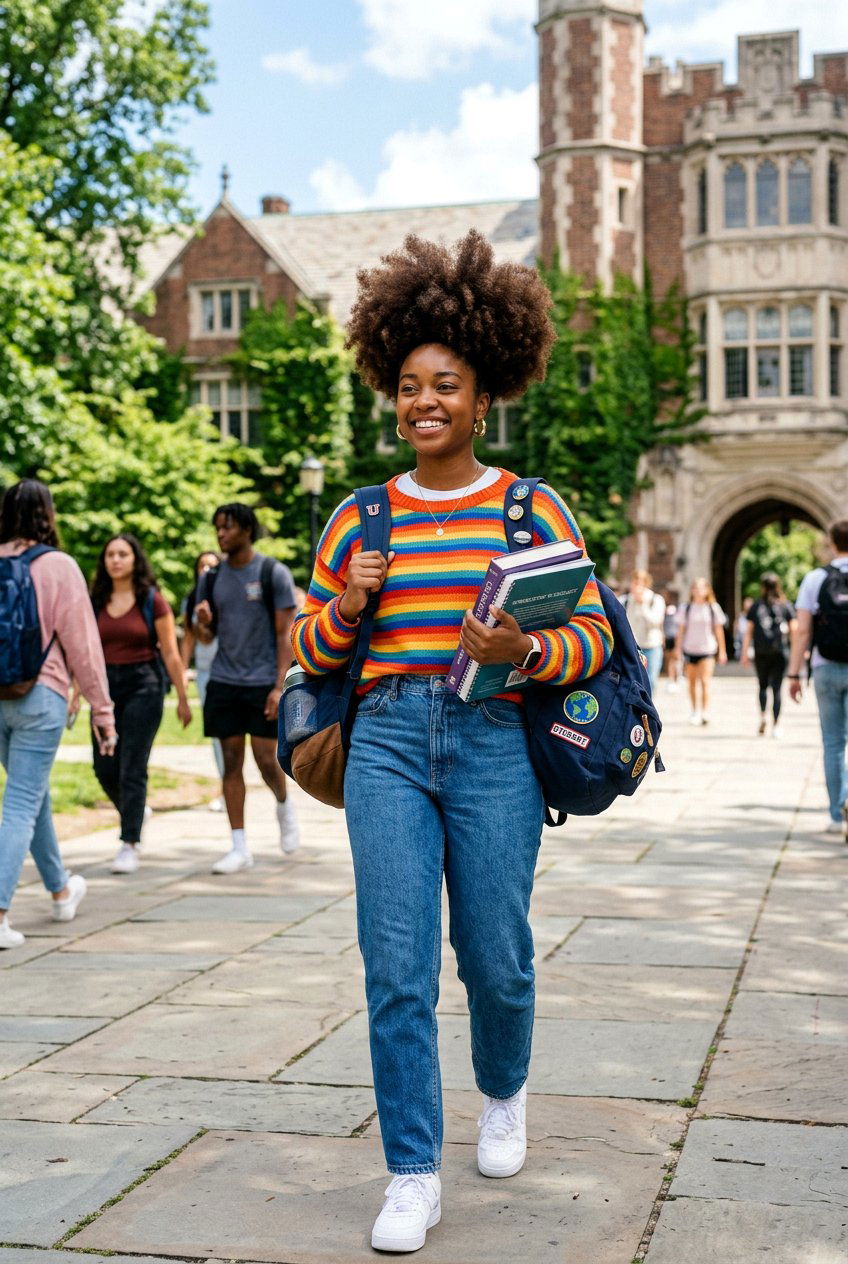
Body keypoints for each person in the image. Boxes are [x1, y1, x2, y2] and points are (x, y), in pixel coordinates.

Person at [291, 231, 613, 1254]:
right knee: (394, 965)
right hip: (384, 737)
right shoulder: (359, 517)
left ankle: (504, 1089)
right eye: (406, 385)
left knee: (495, 958)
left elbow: (595, 635)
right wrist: (346, 603)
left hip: (491, 744)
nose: (422, 401)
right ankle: (411, 1171)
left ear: (483, 397)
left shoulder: (529, 508)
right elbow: (306, 647)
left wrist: (524, 649)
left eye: (445, 385)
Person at [0, 480, 117, 948]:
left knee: (32, 795)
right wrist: (102, 711)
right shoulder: (59, 567)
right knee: (21, 803)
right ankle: (2, 914)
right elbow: (84, 648)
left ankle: (61, 891)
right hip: (40, 697)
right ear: (47, 514)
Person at [194, 503, 299, 874]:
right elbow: (206, 638)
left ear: (247, 530)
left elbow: (285, 636)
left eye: (228, 527)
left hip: (261, 681)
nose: (221, 534)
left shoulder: (272, 573)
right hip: (224, 679)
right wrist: (203, 622)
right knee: (231, 761)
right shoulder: (211, 578)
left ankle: (284, 805)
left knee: (266, 757)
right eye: (217, 527)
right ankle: (239, 845)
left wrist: (278, 687)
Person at [91, 534, 191, 874]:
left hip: (143, 686)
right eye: (110, 555)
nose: (116, 560)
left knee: (132, 765)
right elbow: (85, 650)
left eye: (123, 554)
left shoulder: (152, 599)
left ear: (135, 559)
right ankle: (135, 811)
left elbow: (171, 653)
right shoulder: (96, 600)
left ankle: (128, 843)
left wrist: (181, 696)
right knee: (104, 767)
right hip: (105, 687)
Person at [788, 519, 848, 835]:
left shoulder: (816, 578)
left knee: (834, 742)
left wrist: (794, 673)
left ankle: (837, 816)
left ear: (830, 542)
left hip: (825, 667)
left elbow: (802, 632)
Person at [181, 551, 224, 811]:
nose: (206, 569)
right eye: (201, 565)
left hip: (232, 671)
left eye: (212, 564)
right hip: (206, 672)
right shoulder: (191, 600)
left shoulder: (229, 595)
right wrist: (183, 671)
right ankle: (223, 787)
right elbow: (188, 638)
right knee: (218, 735)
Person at [741, 574, 796, 738]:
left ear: (763, 587)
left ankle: (763, 716)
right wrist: (797, 652)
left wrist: (744, 653)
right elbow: (794, 630)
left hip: (761, 652)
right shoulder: (785, 605)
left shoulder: (756, 606)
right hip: (780, 652)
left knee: (763, 685)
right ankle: (777, 724)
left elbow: (748, 632)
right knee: (777, 689)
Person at [674, 577, 727, 726]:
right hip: (690, 649)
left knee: (704, 681)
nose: (698, 591)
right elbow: (681, 631)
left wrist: (722, 651)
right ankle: (694, 710)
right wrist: (678, 649)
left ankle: (704, 711)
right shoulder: (686, 608)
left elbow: (718, 630)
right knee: (691, 682)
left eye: (701, 588)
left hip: (708, 649)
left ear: (706, 591)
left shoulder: (712, 608)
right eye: (695, 588)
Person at [620, 569, 665, 690]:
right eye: (635, 582)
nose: (637, 586)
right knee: (632, 680)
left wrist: (643, 605)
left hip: (652, 646)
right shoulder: (624, 600)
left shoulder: (656, 600)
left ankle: (648, 707)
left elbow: (655, 623)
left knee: (651, 680)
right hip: (632, 647)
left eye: (641, 582)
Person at [662, 588, 680, 691]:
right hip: (668, 636)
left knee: (675, 659)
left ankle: (675, 678)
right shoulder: (664, 609)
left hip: (675, 636)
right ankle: (671, 679)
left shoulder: (679, 609)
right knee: (669, 660)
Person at [734, 596, 754, 661]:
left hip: (751, 644)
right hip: (740, 641)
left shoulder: (755, 617)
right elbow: (736, 628)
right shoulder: (740, 616)